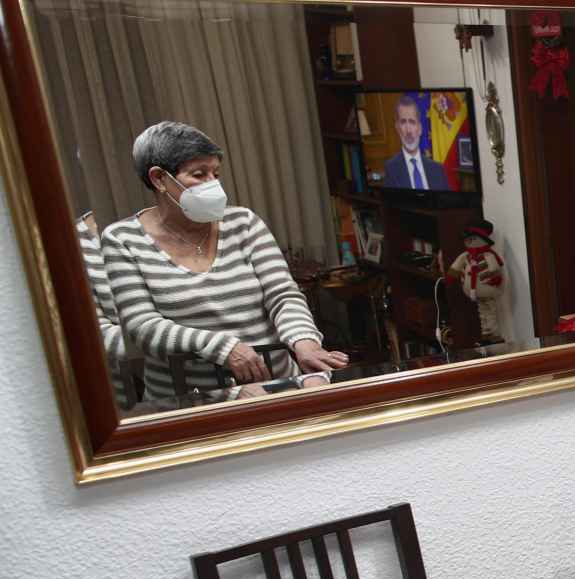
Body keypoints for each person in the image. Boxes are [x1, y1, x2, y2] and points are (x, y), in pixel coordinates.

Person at [101, 121, 347, 402]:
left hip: (276, 385)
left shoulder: (243, 222)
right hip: (188, 399)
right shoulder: (123, 239)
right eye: (199, 174)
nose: (213, 184)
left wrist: (304, 342)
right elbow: (142, 327)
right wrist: (224, 348)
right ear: (159, 179)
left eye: (215, 174)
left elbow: (282, 294)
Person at [382, 96, 450, 190]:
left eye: (412, 122)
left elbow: (447, 202)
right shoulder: (391, 169)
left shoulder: (437, 169)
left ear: (420, 129)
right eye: (403, 122)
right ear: (397, 128)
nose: (408, 130)